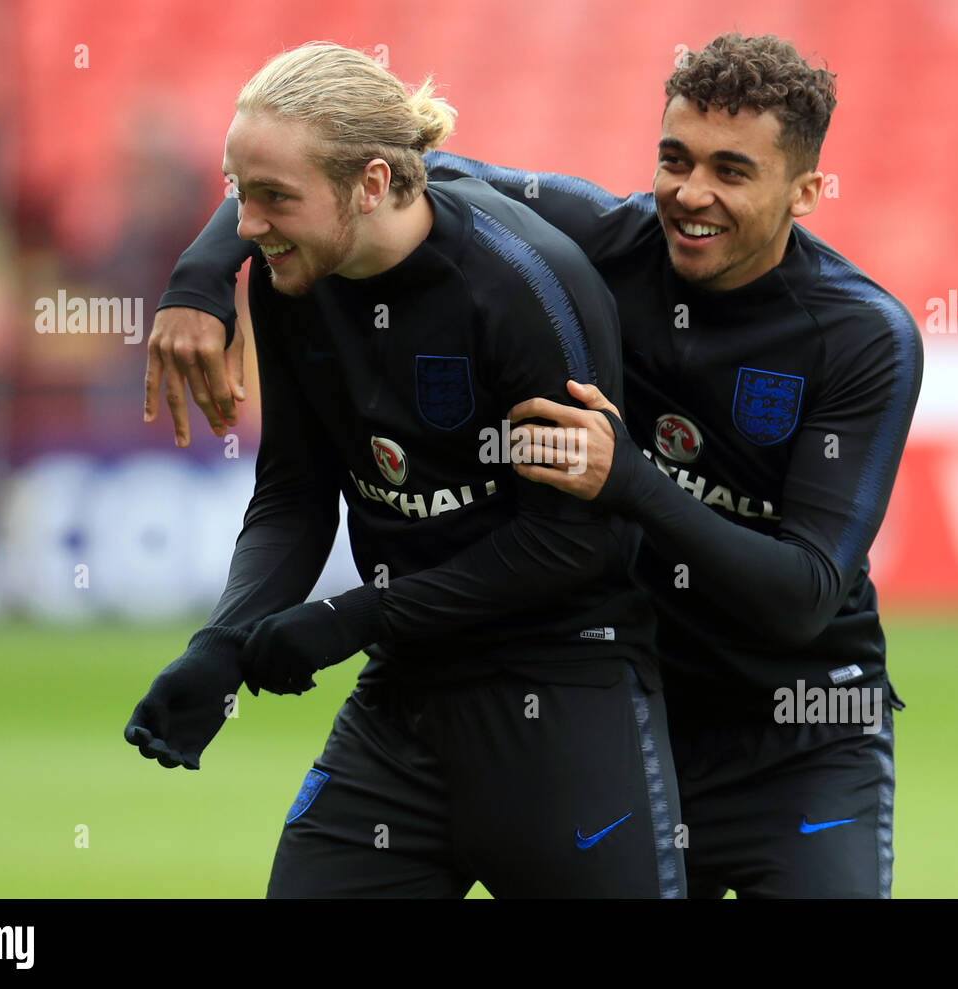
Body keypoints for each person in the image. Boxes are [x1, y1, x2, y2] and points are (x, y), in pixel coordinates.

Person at [148, 33, 922, 899]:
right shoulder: (603, 236)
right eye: (675, 158)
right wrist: (201, 276)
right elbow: (354, 155)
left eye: (731, 171)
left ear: (807, 191)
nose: (690, 194)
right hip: (634, 703)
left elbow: (804, 596)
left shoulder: (862, 337)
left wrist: (629, 479)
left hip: (793, 735)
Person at [125, 41, 684, 899]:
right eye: (240, 194)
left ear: (375, 183)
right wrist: (224, 644)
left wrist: (354, 616)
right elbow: (294, 494)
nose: (245, 229)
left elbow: (580, 544)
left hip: (563, 685)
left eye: (275, 198)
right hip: (405, 696)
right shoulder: (290, 281)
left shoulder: (523, 289)